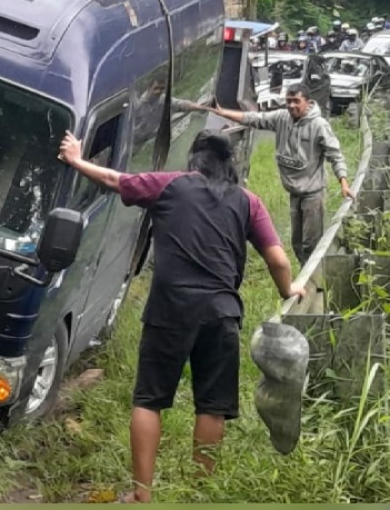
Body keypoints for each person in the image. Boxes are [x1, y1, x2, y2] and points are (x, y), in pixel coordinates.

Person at [58, 129, 297, 504]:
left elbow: (113, 179)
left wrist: (75, 158)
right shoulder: (248, 202)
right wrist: (289, 292)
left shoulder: (169, 186)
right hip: (221, 313)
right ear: (229, 165)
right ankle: (198, 493)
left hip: (170, 309)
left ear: (194, 161)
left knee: (149, 399)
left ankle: (143, 495)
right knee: (212, 406)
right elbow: (279, 259)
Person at [200, 83, 352, 266]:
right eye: (289, 101)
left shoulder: (319, 126)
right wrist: (222, 112)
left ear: (307, 102)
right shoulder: (282, 118)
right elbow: (253, 118)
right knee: (296, 243)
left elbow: (335, 155)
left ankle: (317, 281)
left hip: (313, 193)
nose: (292, 106)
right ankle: (308, 277)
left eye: (296, 101)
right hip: (294, 192)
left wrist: (343, 183)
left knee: (311, 243)